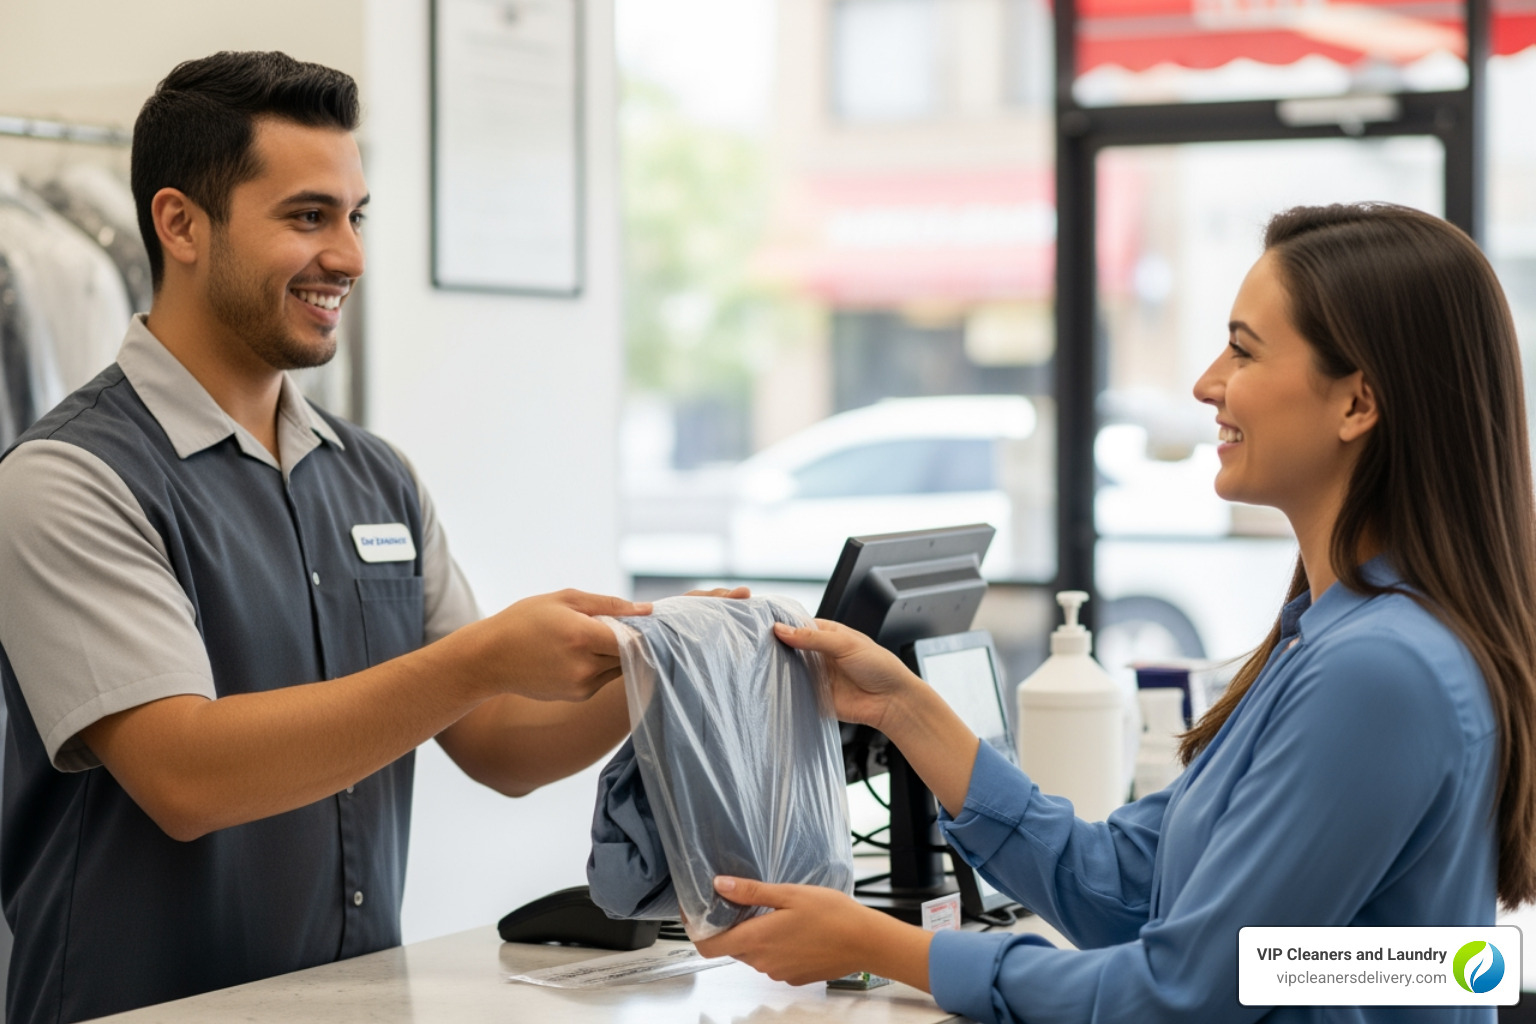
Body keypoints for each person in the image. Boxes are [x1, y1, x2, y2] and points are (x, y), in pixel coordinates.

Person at [0, 51, 731, 1024]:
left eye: (355, 216)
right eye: (308, 217)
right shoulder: (68, 480)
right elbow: (186, 772)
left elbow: (499, 742)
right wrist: (477, 659)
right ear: (179, 223)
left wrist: (669, 661)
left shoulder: (374, 476)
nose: (347, 254)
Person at [696, 202, 1536, 1023]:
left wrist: (883, 946)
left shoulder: (1379, 672)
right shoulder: (1330, 641)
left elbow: (1186, 994)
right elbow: (1131, 886)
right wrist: (903, 708)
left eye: (1242, 351)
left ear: (1357, 404)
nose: (1208, 383)